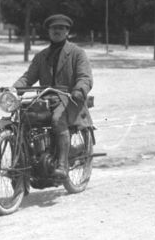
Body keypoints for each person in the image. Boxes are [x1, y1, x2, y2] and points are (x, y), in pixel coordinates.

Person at [10, 14, 93, 179]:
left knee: (57, 120)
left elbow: (85, 77)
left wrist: (78, 90)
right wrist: (13, 89)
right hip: (46, 98)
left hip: (69, 99)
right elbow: (28, 78)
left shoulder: (77, 53)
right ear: (48, 31)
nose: (57, 31)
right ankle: (22, 164)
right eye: (54, 28)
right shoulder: (41, 56)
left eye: (61, 28)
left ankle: (62, 165)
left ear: (67, 31)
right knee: (22, 119)